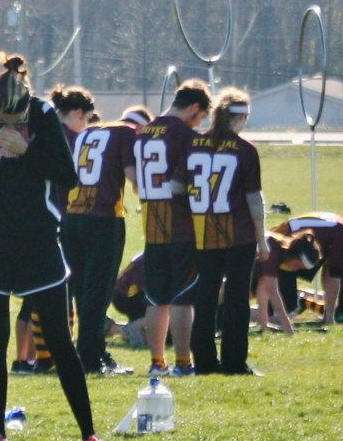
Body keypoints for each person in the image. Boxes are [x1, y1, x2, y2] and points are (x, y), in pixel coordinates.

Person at [0, 55, 105, 441]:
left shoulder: (42, 115)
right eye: (2, 118)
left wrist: (26, 149)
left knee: (59, 339)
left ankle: (89, 433)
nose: (7, 125)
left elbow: (68, 177)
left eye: (15, 118)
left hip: (39, 240)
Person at [133, 79, 213, 380]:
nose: (201, 121)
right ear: (194, 107)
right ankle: (183, 362)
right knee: (182, 297)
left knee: (156, 298)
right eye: (202, 115)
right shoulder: (185, 135)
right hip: (180, 224)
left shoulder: (143, 132)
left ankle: (157, 362)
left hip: (152, 226)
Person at [186, 89, 266, 375]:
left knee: (205, 296)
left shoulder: (195, 144)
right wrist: (261, 238)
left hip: (203, 231)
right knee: (236, 299)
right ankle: (234, 362)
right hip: (238, 234)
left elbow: (180, 188)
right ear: (241, 117)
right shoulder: (245, 150)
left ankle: (204, 361)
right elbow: (253, 199)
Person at [65, 103, 148, 375]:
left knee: (81, 289)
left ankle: (93, 350)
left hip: (72, 217)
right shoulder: (126, 134)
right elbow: (134, 177)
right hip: (103, 219)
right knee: (97, 292)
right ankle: (90, 357)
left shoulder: (87, 132)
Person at [271, 211, 343, 326]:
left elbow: (331, 272)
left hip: (305, 240)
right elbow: (332, 274)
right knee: (280, 307)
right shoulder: (340, 235)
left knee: (284, 305)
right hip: (290, 236)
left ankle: (298, 301)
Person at [254, 230, 324, 331]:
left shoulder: (281, 252)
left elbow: (263, 287)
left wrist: (264, 325)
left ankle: (263, 325)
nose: (295, 269)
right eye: (297, 265)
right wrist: (287, 326)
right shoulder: (273, 252)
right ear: (294, 255)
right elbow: (273, 292)